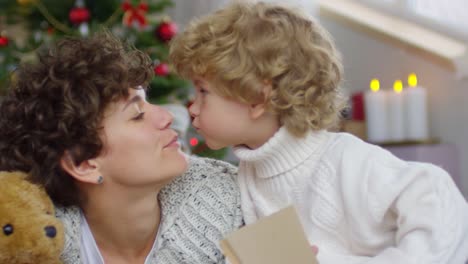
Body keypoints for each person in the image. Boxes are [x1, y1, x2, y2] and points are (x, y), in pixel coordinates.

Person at [169, 1, 468, 263]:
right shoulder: (249, 176)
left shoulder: (344, 159)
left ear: (257, 99)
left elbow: (442, 200)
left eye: (203, 92)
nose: (192, 107)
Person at [0, 32, 243, 264]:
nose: (167, 116)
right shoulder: (33, 239)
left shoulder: (233, 201)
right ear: (83, 163)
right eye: (137, 115)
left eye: (149, 103)